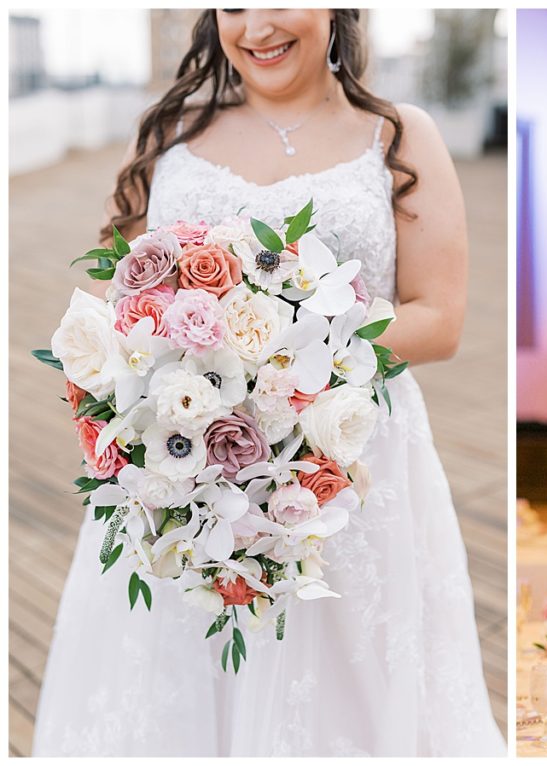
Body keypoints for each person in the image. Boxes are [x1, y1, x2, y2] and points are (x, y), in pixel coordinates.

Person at [32, 9, 505, 756]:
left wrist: (278, 348)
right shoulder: (167, 134)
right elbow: (113, 300)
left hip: (345, 473)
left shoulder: (398, 135)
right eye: (234, 6)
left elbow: (439, 318)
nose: (256, 27)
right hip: (184, 468)